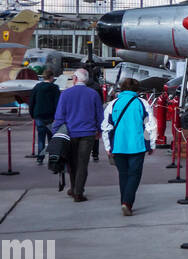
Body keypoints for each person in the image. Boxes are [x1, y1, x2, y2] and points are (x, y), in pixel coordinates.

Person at [102, 79, 155, 216]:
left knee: (123, 175)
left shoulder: (112, 104)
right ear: (137, 90)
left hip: (118, 145)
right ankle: (127, 203)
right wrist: (151, 144)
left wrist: (108, 146)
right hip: (137, 145)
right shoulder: (142, 104)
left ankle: (124, 202)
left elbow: (106, 127)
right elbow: (150, 125)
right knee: (134, 175)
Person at [50, 68, 104, 202]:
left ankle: (74, 188)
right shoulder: (93, 94)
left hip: (70, 133)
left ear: (75, 79)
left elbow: (60, 116)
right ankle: (78, 191)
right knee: (82, 163)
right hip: (88, 133)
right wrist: (99, 130)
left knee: (71, 163)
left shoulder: (66, 94)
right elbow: (99, 115)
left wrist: (55, 131)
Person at [26, 71, 61, 163]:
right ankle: (51, 158)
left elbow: (32, 101)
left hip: (39, 115)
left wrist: (32, 114)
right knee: (51, 138)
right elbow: (58, 103)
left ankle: (40, 158)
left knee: (41, 137)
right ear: (51, 77)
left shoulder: (37, 87)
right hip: (51, 116)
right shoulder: (55, 88)